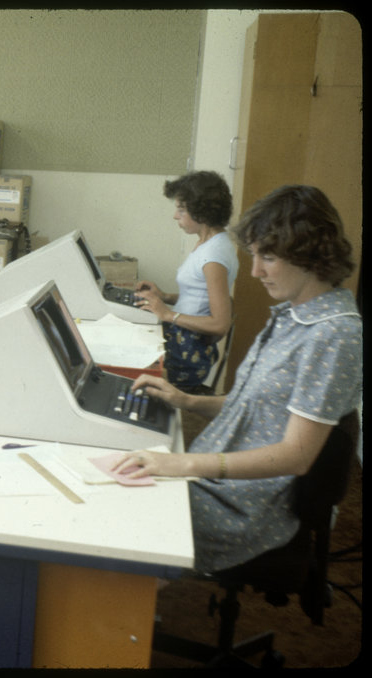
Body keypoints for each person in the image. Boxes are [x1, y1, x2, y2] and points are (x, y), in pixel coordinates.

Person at [113, 185, 362, 574]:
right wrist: (186, 400)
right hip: (220, 479)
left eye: (268, 258)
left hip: (247, 504)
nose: (255, 271)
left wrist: (182, 464)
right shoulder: (295, 315)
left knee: (123, 521)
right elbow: (259, 409)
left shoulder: (333, 335)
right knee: (123, 485)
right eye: (255, 255)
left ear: (311, 254)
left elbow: (296, 456)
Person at [135, 171, 239, 393]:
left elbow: (220, 323)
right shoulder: (208, 244)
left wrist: (167, 314)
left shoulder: (213, 256)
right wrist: (165, 297)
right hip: (183, 340)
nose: (176, 216)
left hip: (188, 353)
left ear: (202, 211)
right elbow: (200, 296)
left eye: (181, 210)